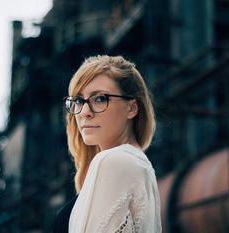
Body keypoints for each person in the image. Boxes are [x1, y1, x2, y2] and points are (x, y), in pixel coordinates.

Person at [55, 55, 161, 233]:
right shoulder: (140, 165)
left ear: (132, 108)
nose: (85, 112)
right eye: (79, 101)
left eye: (100, 98)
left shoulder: (114, 161)